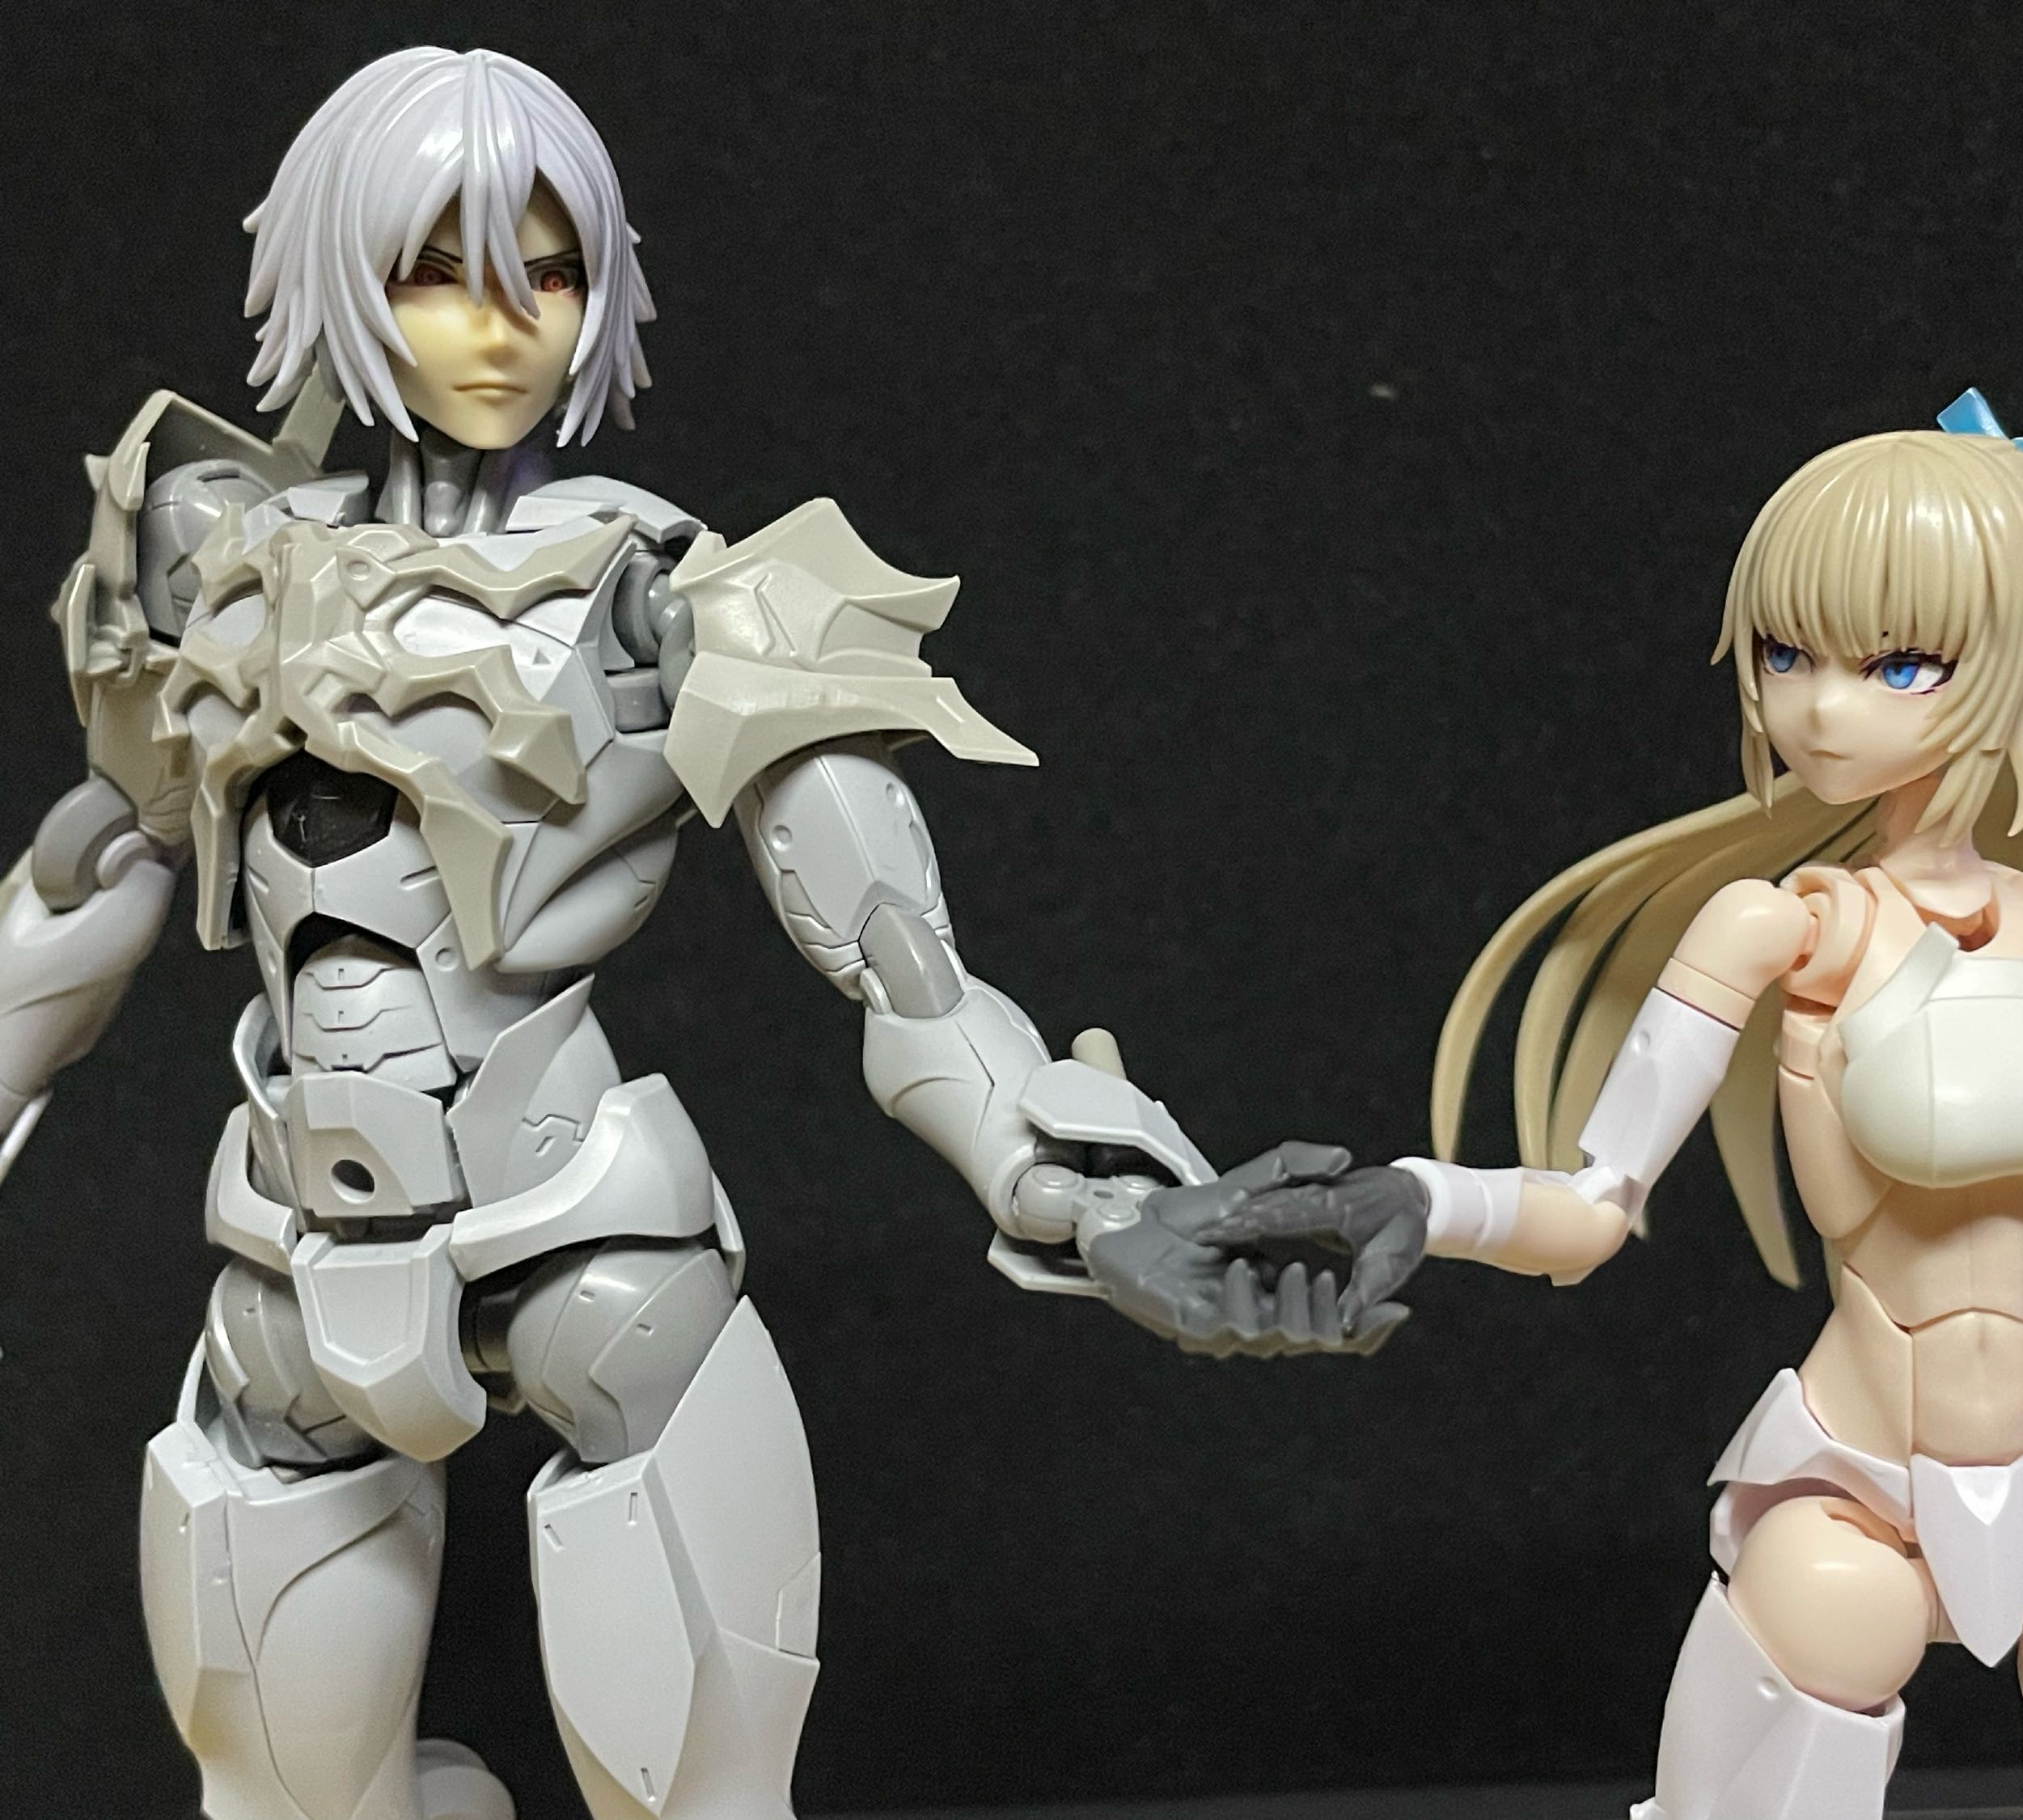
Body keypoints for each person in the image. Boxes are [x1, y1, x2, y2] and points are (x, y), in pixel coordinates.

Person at [0, 46, 1378, 1820]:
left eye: (549, 273)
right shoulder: (219, 574)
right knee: (281, 1799)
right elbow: (90, 873)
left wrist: (1073, 1184)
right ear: (338, 279)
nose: (503, 326)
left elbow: (896, 953)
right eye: (437, 271)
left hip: (587, 1244)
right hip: (287, 1257)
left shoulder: (670, 589)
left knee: (698, 1789)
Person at [1200, 392, 2023, 1820]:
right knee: (1828, 1616)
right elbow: (1594, 1205)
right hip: (1857, 1469)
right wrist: (1418, 1196)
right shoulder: (1785, 930)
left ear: (2017, 666)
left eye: (1898, 661)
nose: (1820, 706)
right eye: (1787, 654)